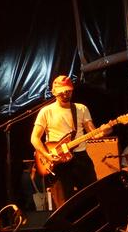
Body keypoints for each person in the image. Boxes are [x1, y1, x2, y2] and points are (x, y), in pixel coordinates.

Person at [30, 75, 107, 206]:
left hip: (80, 157)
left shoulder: (81, 108)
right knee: (65, 203)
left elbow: (92, 132)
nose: (66, 94)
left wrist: (102, 132)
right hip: (58, 160)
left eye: (68, 90)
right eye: (62, 91)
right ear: (54, 92)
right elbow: (34, 138)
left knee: (92, 195)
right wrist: (46, 155)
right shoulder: (46, 111)